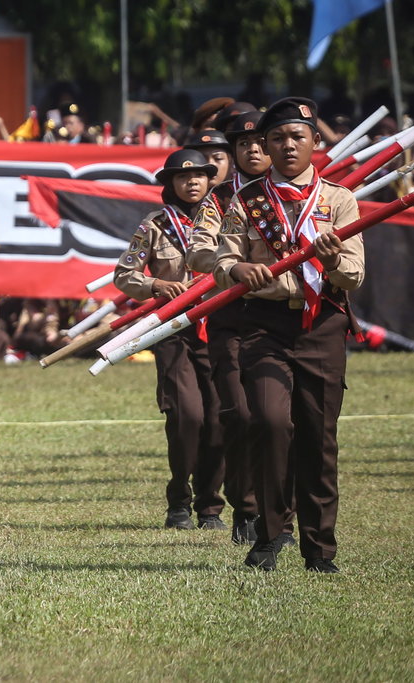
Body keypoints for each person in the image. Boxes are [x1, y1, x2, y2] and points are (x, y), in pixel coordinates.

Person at [213, 97, 365, 573]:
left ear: (315, 143)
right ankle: (270, 531)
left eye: (297, 136)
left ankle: (319, 549)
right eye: (276, 138)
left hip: (322, 327)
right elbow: (221, 262)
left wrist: (333, 255)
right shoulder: (247, 200)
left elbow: (355, 274)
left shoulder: (339, 200)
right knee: (270, 422)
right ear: (265, 145)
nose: (286, 145)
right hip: (264, 325)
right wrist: (239, 268)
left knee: (318, 438)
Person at [114, 148, 225, 531]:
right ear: (170, 184)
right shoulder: (155, 224)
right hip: (173, 330)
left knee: (218, 418)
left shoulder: (231, 218)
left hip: (221, 328)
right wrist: (156, 284)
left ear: (211, 179)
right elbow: (123, 274)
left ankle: (211, 505)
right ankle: (179, 499)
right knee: (187, 417)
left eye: (199, 175)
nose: (191, 182)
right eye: (182, 176)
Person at [189, 110, 285, 546]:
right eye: (241, 144)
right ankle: (245, 508)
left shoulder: (298, 192)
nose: (251, 149)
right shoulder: (219, 198)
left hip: (286, 315)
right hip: (231, 315)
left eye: (258, 141)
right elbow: (198, 252)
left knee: (285, 421)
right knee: (242, 414)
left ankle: (280, 513)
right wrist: (234, 266)